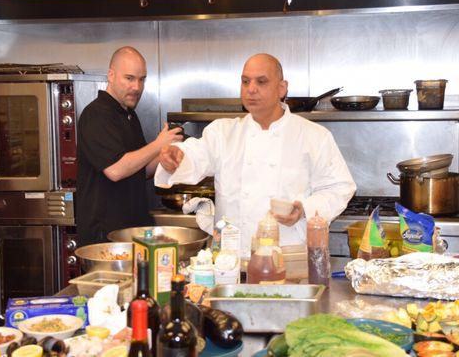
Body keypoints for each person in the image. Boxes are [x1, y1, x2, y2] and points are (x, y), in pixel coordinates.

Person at [155, 53, 357, 258]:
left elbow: (340, 188)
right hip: (233, 262)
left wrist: (304, 209)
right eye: (245, 81)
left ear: (282, 88)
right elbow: (195, 155)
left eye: (261, 82)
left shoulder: (313, 136)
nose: (251, 89)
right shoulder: (223, 132)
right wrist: (175, 158)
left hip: (287, 262)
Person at [76, 46, 183, 246]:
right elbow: (115, 170)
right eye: (129, 78)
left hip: (129, 231)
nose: (137, 87)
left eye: (142, 79)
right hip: (104, 237)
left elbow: (140, 170)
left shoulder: (128, 116)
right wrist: (158, 144)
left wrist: (164, 155)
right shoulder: (96, 115)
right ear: (111, 75)